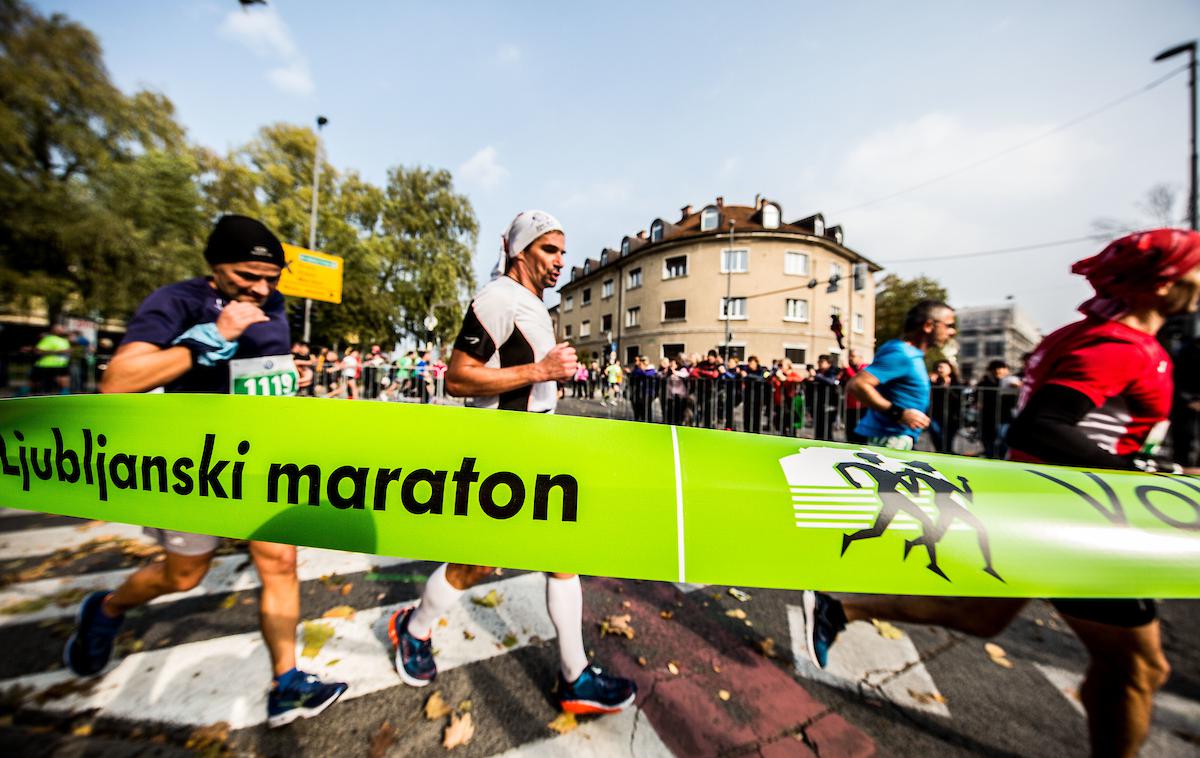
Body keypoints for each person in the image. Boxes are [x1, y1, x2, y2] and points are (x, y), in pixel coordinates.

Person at [803, 228, 1200, 758]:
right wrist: (1150, 477)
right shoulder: (1117, 346)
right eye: (946, 323)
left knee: (982, 616)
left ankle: (840, 605)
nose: (952, 329)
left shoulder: (1098, 338)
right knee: (1139, 666)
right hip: (1075, 517)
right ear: (1160, 282)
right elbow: (1038, 427)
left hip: (1045, 501)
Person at [64, 215, 346, 727]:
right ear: (215, 267)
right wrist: (210, 336)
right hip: (195, 465)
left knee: (280, 563)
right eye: (246, 277)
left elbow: (260, 377)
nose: (261, 290)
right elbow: (118, 382)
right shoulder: (177, 301)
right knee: (184, 575)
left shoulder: (274, 304)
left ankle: (287, 682)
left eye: (271, 278)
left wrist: (288, 380)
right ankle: (104, 610)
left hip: (261, 464)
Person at [388, 210, 636, 715]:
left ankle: (575, 677)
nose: (560, 262)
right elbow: (459, 378)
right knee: (477, 563)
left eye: (564, 252)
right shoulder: (497, 298)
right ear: (519, 252)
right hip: (498, 453)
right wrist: (542, 368)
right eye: (549, 250)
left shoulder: (533, 306)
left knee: (564, 558)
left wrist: (546, 382)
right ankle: (412, 629)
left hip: (536, 449)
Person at [846, 300, 955, 450]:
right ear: (928, 326)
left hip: (896, 437)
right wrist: (898, 413)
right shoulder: (902, 353)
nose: (952, 332)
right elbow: (857, 385)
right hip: (888, 438)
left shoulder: (910, 354)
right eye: (948, 325)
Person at [928, 359, 962, 454]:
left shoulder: (955, 382)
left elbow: (958, 398)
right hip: (935, 413)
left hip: (952, 415)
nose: (940, 369)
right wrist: (930, 382)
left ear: (950, 369)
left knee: (948, 440)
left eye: (942, 367)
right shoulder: (933, 381)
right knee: (936, 435)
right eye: (938, 367)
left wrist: (947, 388)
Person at [838, 350, 869, 443]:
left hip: (862, 406)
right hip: (850, 405)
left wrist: (847, 368)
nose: (850, 359)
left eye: (853, 356)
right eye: (850, 356)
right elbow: (838, 379)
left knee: (861, 434)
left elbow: (858, 380)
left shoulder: (866, 368)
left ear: (860, 358)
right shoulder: (849, 368)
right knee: (849, 432)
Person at [31, 324, 72, 395]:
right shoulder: (49, 339)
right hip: (46, 365)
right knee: (35, 384)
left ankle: (65, 396)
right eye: (61, 329)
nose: (64, 330)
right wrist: (58, 352)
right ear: (55, 331)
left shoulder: (64, 340)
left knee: (65, 381)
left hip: (61, 364)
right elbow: (37, 351)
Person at [811, 355, 840, 441]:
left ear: (828, 363)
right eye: (818, 362)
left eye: (821, 362)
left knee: (827, 428)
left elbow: (831, 381)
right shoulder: (818, 372)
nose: (819, 364)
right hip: (818, 403)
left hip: (830, 404)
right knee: (818, 428)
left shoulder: (834, 370)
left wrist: (816, 376)